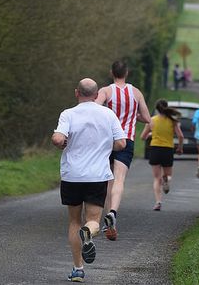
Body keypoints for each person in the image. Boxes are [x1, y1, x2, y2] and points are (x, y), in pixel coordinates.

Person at [51, 78, 126, 282]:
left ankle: (78, 269)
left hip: (72, 175)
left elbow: (58, 138)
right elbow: (121, 143)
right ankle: (88, 232)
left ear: (77, 93)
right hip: (97, 175)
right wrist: (105, 145)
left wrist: (61, 142)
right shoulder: (108, 114)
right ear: (96, 94)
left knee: (74, 220)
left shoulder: (68, 114)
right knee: (92, 220)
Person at [96, 61, 151, 241]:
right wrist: (133, 115)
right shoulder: (136, 93)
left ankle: (106, 223)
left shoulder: (106, 91)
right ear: (127, 72)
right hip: (126, 139)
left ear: (111, 72)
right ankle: (113, 213)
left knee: (106, 180)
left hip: (107, 140)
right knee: (119, 179)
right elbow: (148, 118)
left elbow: (95, 110)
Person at [140, 99, 184, 211]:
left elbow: (143, 137)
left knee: (156, 178)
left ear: (156, 109)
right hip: (167, 150)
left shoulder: (151, 120)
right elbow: (180, 136)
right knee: (168, 175)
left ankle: (158, 201)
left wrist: (151, 133)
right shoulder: (172, 121)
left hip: (155, 149)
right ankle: (166, 181)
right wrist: (180, 147)